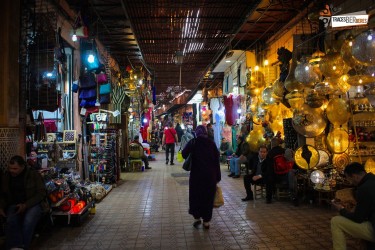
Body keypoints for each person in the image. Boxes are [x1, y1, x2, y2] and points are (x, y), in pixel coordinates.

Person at [0, 155, 47, 250]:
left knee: (28, 221)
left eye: (15, 168)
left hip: (33, 203)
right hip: (14, 204)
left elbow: (41, 193)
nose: (12, 171)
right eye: (10, 168)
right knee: (11, 220)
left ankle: (23, 246)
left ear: (22, 167)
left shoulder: (33, 175)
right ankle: (16, 247)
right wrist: (1, 206)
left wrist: (26, 205)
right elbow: (3, 194)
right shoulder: (6, 177)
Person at [182, 125, 221, 229]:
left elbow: (183, 154)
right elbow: (217, 160)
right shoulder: (211, 144)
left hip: (196, 176)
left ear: (196, 132)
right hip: (210, 176)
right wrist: (218, 177)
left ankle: (197, 218)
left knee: (196, 196)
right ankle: (206, 221)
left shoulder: (193, 142)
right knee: (208, 198)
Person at [331, 162, 375, 250]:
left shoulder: (364, 189)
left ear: (354, 176)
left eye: (349, 179)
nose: (350, 182)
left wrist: (341, 209)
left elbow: (358, 218)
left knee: (336, 221)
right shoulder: (372, 180)